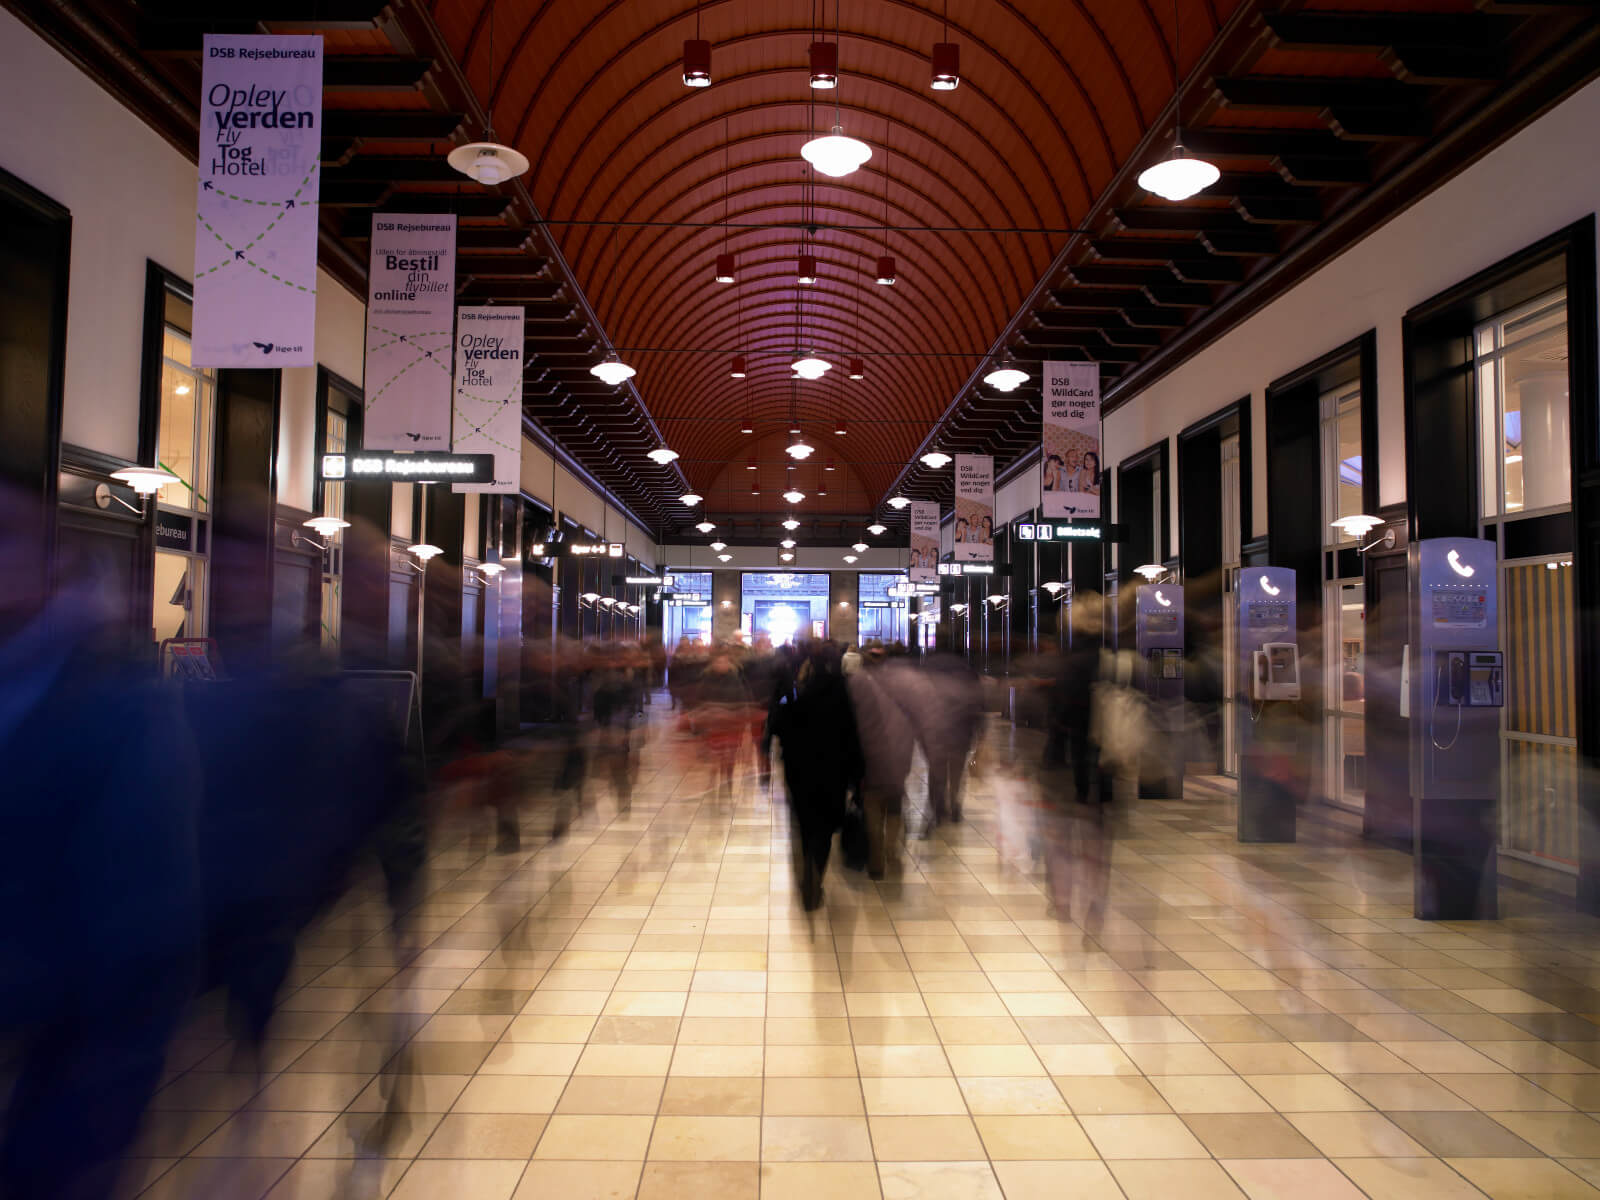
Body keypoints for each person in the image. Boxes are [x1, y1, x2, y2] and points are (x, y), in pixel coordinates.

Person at [769, 643, 863, 909]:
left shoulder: (795, 694)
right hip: (833, 775)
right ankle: (816, 876)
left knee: (804, 826)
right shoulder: (843, 699)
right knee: (823, 831)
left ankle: (805, 874)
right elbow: (853, 740)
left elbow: (778, 724)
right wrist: (857, 778)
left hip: (800, 773)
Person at [847, 647, 918, 879]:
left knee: (872, 806)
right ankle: (890, 848)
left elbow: (852, 721)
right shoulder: (902, 684)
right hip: (898, 755)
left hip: (871, 756)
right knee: (894, 803)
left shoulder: (857, 682)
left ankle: (876, 859)